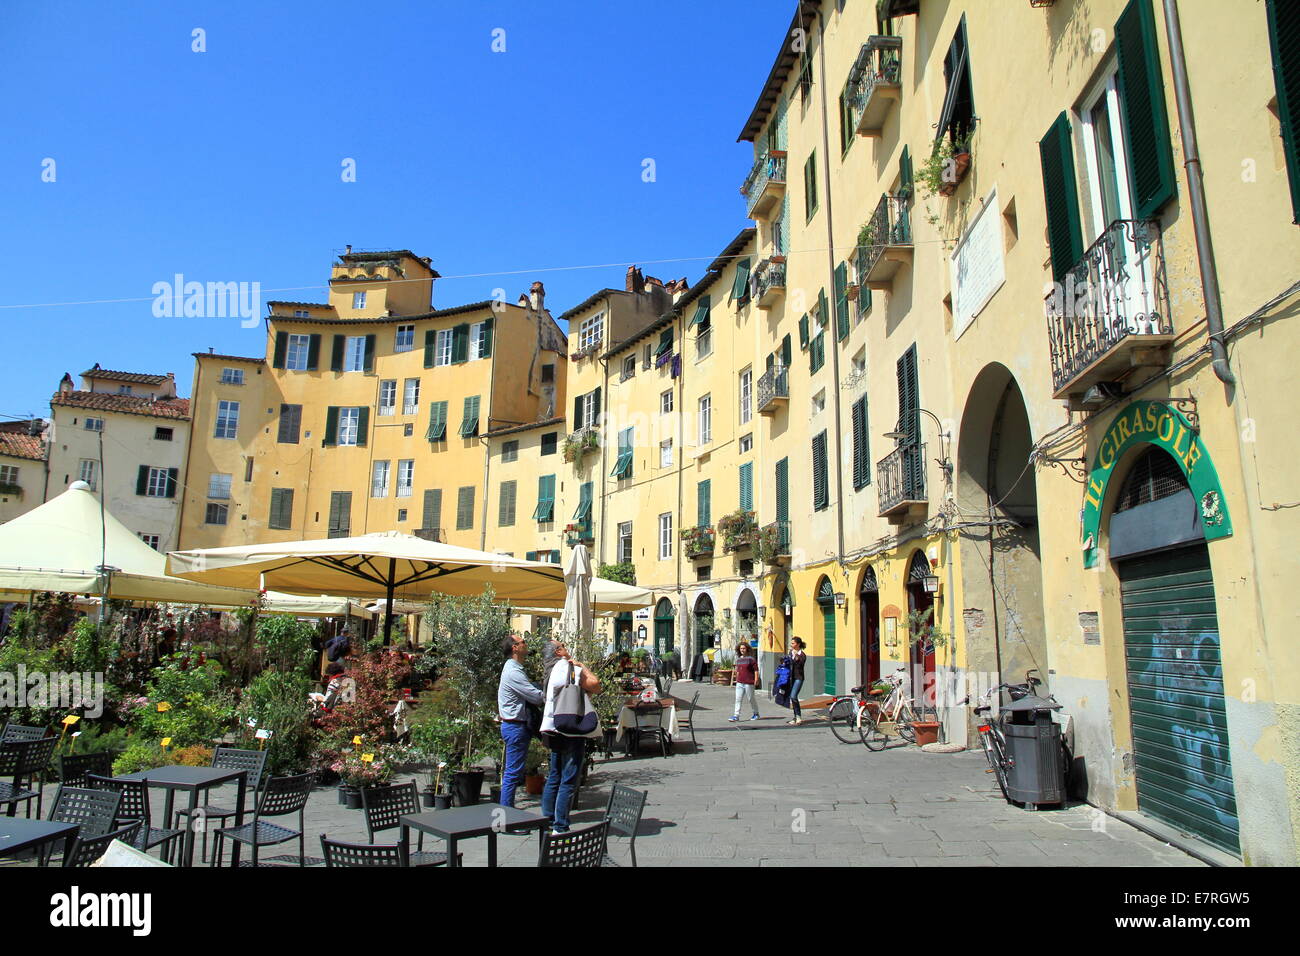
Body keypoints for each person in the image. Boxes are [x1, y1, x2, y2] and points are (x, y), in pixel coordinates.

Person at [539, 640, 602, 833]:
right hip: (570, 726)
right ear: (559, 652)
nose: (566, 647)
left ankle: (548, 818)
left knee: (555, 775)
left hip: (552, 726)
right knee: (569, 778)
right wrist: (583, 666)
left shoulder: (548, 671)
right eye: (563, 646)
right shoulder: (569, 668)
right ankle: (561, 825)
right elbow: (596, 685)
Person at [497, 634, 544, 809]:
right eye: (522, 642)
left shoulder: (515, 668)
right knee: (512, 773)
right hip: (515, 726)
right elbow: (535, 697)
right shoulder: (513, 672)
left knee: (513, 771)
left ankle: (507, 811)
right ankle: (507, 815)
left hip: (515, 724)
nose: (526, 644)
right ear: (515, 648)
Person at [730, 643, 760, 722]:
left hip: (749, 682)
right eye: (741, 649)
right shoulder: (739, 659)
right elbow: (738, 670)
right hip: (740, 682)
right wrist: (737, 679)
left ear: (747, 649)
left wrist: (756, 679)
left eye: (744, 648)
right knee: (738, 699)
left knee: (751, 698)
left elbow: (756, 670)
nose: (742, 650)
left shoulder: (751, 659)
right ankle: (736, 715)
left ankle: (756, 713)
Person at [786, 637, 807, 725]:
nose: (792, 645)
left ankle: (798, 717)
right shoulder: (790, 652)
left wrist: (796, 655)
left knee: (794, 696)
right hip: (791, 677)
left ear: (798, 644)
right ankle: (795, 717)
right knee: (792, 697)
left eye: (793, 643)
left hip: (799, 678)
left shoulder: (802, 655)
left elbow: (800, 664)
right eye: (791, 643)